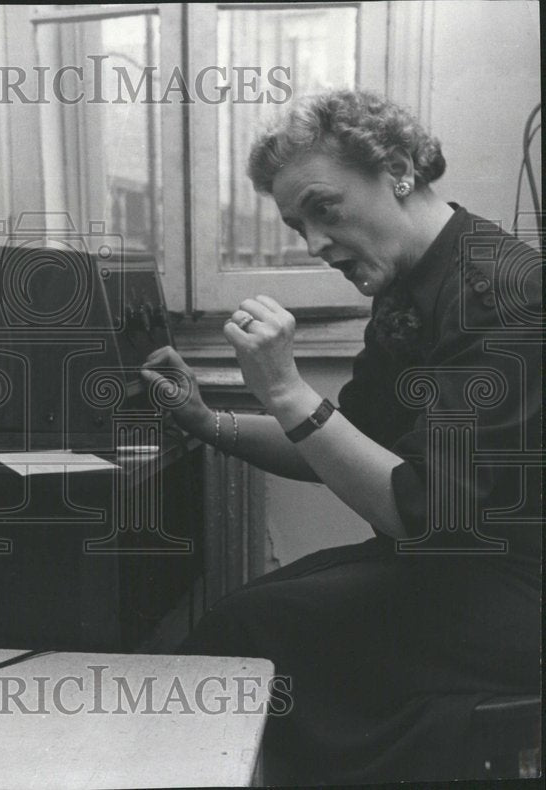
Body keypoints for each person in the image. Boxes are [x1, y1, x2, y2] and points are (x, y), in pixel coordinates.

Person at [141, 90, 541, 783]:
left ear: (398, 171)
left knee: (245, 637)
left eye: (325, 209)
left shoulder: (498, 295)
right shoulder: (418, 278)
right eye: (299, 225)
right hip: (464, 568)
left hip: (517, 593)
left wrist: (287, 388)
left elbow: (416, 511)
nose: (316, 244)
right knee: (242, 619)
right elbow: (347, 444)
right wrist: (209, 422)